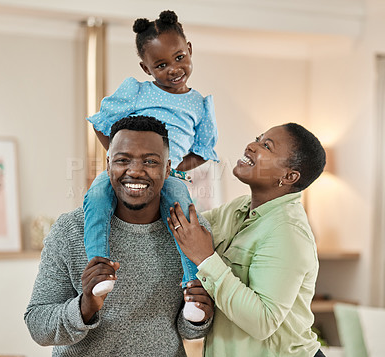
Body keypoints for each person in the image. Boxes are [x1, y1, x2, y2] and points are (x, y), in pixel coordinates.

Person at [24, 116, 214, 356]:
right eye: (123, 160)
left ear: (168, 169)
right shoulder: (70, 229)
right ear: (108, 165)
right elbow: (38, 325)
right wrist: (85, 307)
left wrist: (200, 316)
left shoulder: (193, 231)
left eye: (150, 161)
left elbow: (191, 331)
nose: (135, 171)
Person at [84, 10, 218, 322]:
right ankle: (99, 265)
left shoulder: (199, 104)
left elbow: (203, 151)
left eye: (179, 57)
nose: (174, 69)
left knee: (182, 210)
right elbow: (101, 125)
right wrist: (123, 163)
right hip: (129, 171)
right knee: (97, 192)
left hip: (167, 175)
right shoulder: (137, 91)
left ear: (190, 50)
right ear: (147, 68)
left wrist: (170, 167)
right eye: (161, 65)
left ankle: (192, 287)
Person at [168, 123, 327, 356]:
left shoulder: (288, 233)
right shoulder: (238, 208)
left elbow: (263, 322)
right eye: (257, 138)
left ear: (289, 176)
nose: (251, 146)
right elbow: (184, 229)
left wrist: (205, 259)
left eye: (266, 146)